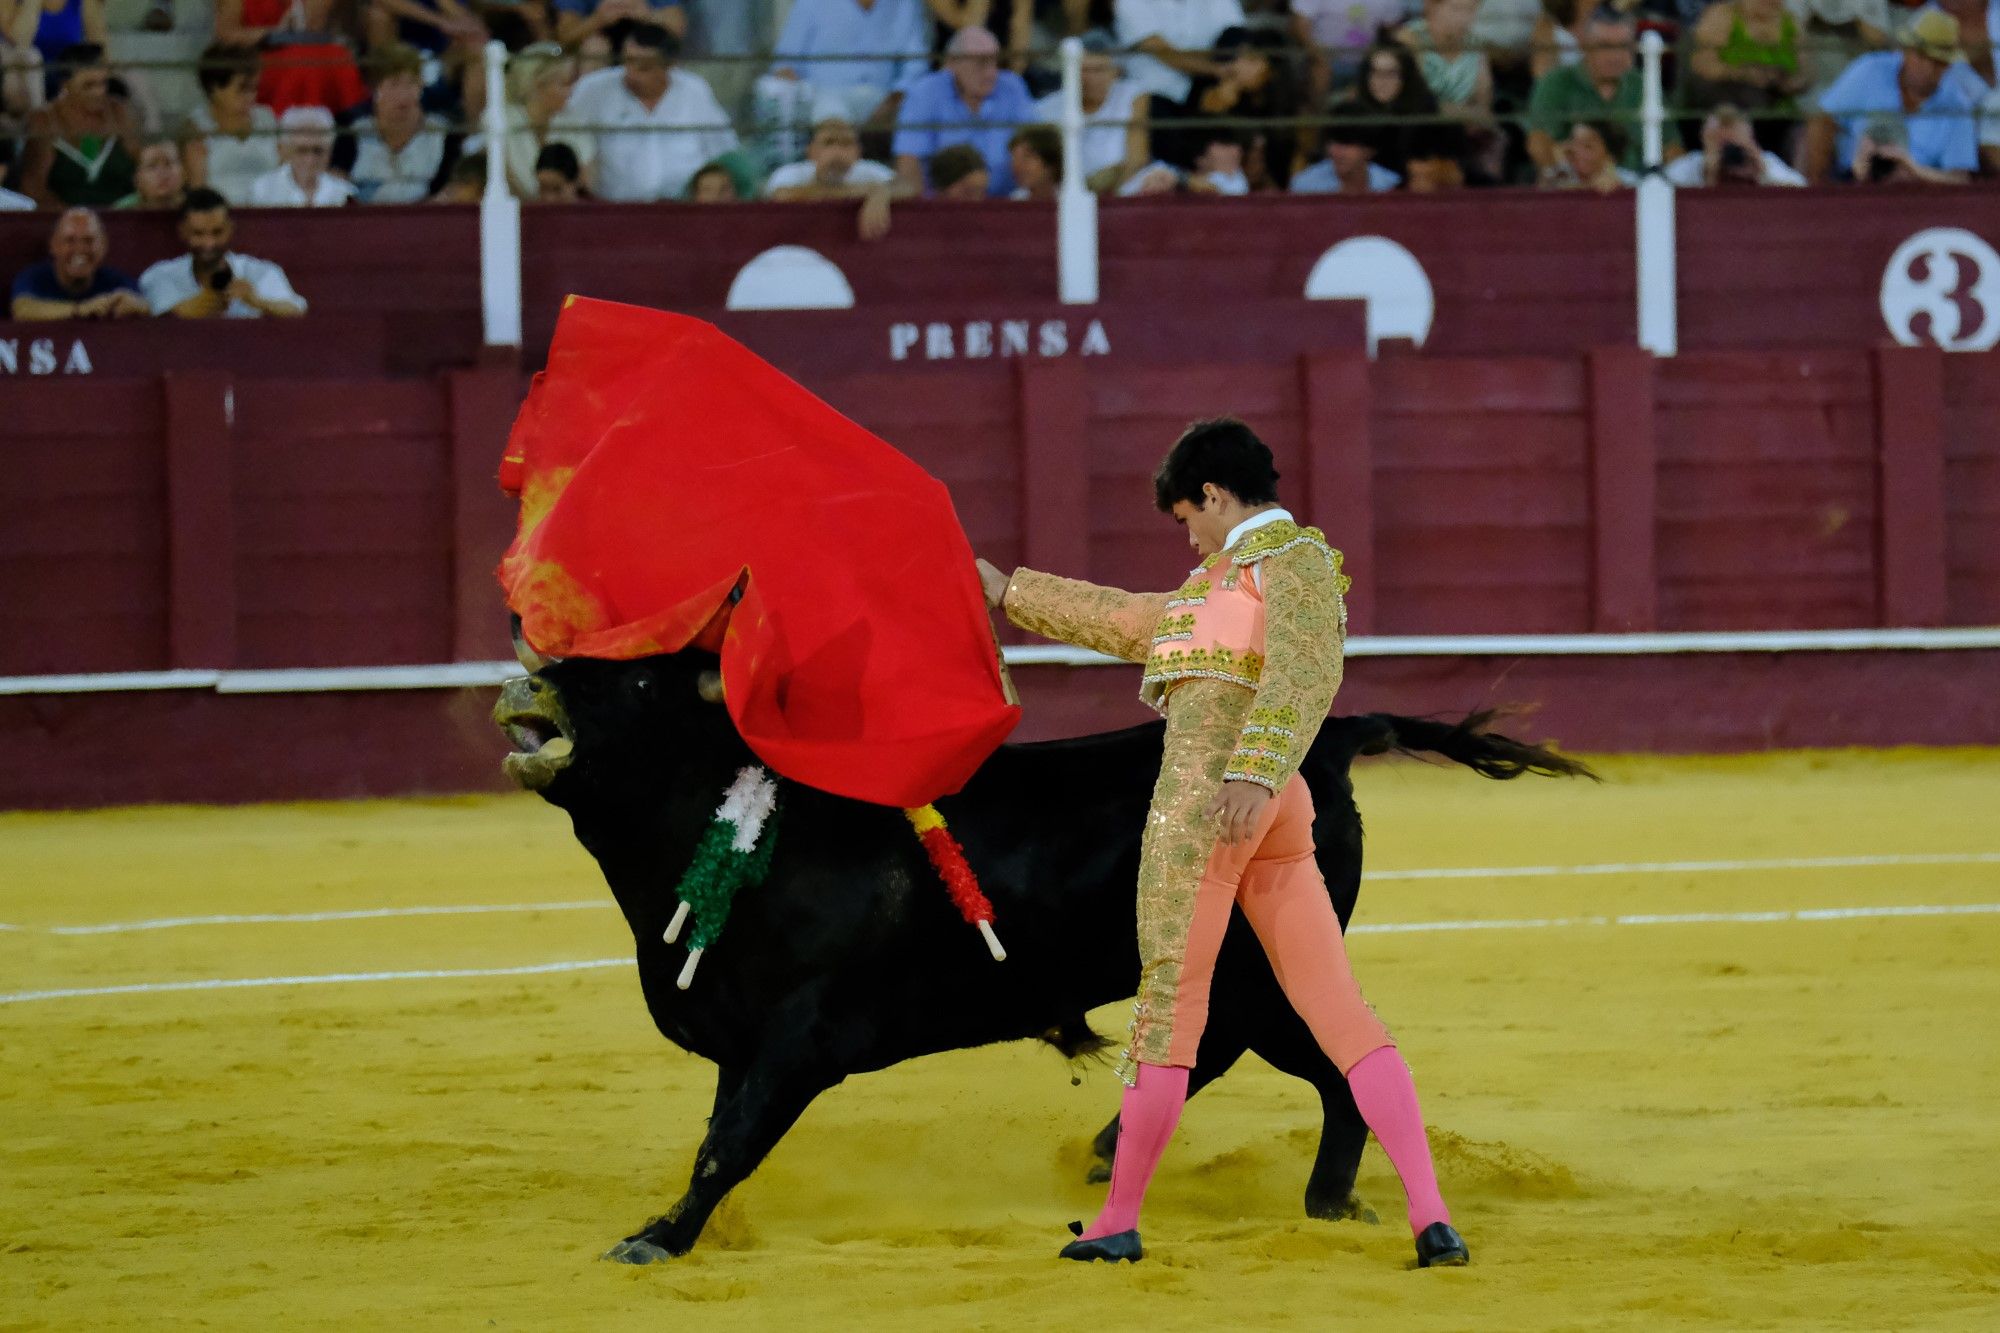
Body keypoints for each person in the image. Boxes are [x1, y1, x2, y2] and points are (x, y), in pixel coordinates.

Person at [975, 419, 1468, 1271]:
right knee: (1336, 1008)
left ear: (1212, 493)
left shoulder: (1295, 559)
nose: (1187, 535)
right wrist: (1007, 590)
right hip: (1268, 811)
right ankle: (1430, 1218)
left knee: (1171, 1006)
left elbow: (1306, 672)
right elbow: (1129, 619)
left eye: (1185, 516)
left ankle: (1118, 1220)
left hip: (1211, 810)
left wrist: (1251, 771)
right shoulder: (1218, 585)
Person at [558, 21, 737, 201]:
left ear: (670, 66)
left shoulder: (694, 91)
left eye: (644, 68)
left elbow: (726, 154)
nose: (631, 74)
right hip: (613, 212)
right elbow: (563, 142)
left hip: (682, 212)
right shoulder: (593, 90)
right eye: (627, 62)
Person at [1802, 10, 1980, 183]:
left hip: (1918, 195)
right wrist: (1819, 186)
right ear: (1906, 51)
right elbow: (1823, 118)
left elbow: (1959, 179)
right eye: (1922, 56)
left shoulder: (1957, 105)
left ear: (1948, 66)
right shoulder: (1870, 70)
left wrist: (1914, 170)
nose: (1928, 68)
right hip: (1851, 181)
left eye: (1938, 62)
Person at [758, 0, 931, 162]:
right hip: (824, 97)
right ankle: (836, 169)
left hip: (882, 98)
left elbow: (916, 64)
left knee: (913, 107)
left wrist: (895, 98)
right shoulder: (811, 3)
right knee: (832, 113)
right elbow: (785, 63)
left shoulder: (905, 4)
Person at [1527, 5, 1673, 175]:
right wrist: (1562, 176)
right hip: (1578, 188)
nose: (1614, 56)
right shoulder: (1556, 83)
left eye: (1622, 46)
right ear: (1586, 46)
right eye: (1605, 46)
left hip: (1637, 188)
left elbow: (1672, 146)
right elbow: (1538, 142)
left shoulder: (1643, 85)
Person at [893, 26, 1036, 196]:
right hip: (944, 207)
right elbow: (909, 161)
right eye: (981, 63)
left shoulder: (1013, 87)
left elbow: (1035, 149)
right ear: (952, 63)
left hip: (1006, 203)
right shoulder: (926, 91)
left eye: (994, 62)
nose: (991, 73)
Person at [139, 188, 307, 318]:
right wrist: (208, 299)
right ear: (183, 232)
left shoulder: (260, 272)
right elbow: (161, 317)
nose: (209, 243)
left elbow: (296, 311)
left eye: (217, 232)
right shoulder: (160, 275)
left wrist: (256, 301)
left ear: (230, 230)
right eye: (198, 233)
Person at [16, 42, 137, 208]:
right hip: (65, 224)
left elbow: (141, 170)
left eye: (103, 83)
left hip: (123, 218)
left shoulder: (118, 113)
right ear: (65, 86)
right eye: (89, 86)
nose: (99, 92)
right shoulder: (44, 122)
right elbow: (33, 189)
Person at [341, 42, 460, 203]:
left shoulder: (446, 134)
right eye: (394, 84)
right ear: (374, 89)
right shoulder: (351, 132)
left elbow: (449, 191)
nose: (404, 95)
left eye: (411, 83)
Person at [1031, 32, 1149, 193]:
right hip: (1065, 193)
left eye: (1099, 70)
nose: (1089, 78)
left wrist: (1108, 191)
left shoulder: (1132, 96)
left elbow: (1137, 158)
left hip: (1120, 188)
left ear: (1115, 72)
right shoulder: (1045, 109)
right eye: (1083, 70)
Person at [1685, 0, 1805, 151]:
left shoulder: (1791, 22)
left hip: (1779, 111)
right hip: (1729, 108)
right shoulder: (1722, 15)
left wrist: (1784, 81)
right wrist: (1747, 74)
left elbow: (1805, 75)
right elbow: (1701, 64)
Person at [214, 0, 368, 115]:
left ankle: (353, 129)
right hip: (258, 53)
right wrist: (272, 33)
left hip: (301, 42)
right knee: (305, 67)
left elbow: (313, 25)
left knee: (339, 56)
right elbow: (226, 35)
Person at [481, 41, 591, 198]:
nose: (571, 91)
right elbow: (501, 177)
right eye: (564, 84)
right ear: (539, 85)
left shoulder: (574, 121)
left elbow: (585, 181)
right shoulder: (500, 119)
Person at [182, 43, 280, 206]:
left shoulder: (267, 118)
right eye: (242, 89)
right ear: (215, 88)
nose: (251, 97)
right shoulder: (196, 129)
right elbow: (198, 192)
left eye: (254, 88)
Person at [9, 206, 147, 319]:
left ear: (104, 246)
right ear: (53, 246)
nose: (80, 249)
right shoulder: (34, 277)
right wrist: (80, 310)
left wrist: (133, 305)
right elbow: (22, 309)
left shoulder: (115, 280)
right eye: (70, 240)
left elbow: (145, 306)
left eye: (89, 240)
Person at [1115, 0, 1246, 105]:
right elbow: (1161, 50)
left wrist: (1229, 79)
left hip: (1212, 84)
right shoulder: (1129, 2)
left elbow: (1237, 37)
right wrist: (1217, 70)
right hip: (1155, 95)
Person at [1347, 39, 1440, 178]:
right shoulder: (1353, 110)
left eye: (1391, 73)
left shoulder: (1425, 109)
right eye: (1375, 72)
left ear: (1406, 76)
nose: (1381, 81)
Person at [1663, 102, 1806, 185]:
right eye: (1719, 142)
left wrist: (1764, 173)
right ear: (1705, 140)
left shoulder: (1765, 161)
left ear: (1750, 139)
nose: (1728, 151)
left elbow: (1802, 190)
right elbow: (1656, 188)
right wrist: (1706, 175)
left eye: (1733, 143)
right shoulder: (1692, 164)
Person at [247, 105, 356, 206]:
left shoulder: (344, 193)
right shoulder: (263, 190)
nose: (310, 160)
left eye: (317, 151)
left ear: (329, 151)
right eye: (302, 151)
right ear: (285, 151)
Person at [1290, 101, 1402, 191]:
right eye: (1332, 142)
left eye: (1346, 143)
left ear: (1369, 150)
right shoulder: (1305, 187)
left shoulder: (1389, 186)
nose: (1336, 151)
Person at [1, 0, 106, 67]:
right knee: (30, 57)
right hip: (24, 87)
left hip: (68, 84)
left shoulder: (86, 2)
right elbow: (19, 44)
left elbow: (101, 50)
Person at [1542, 116, 1633, 189]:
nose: (1575, 150)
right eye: (1573, 142)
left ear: (1610, 156)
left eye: (1587, 146)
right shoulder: (1561, 175)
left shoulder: (1629, 182)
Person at [554, 0, 684, 48]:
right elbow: (564, 39)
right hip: (598, 50)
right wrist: (598, 19)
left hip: (644, 45)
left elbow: (677, 29)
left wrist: (648, 15)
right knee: (595, 47)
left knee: (648, 51)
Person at [112, 135, 186, 209]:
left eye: (168, 163)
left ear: (184, 172)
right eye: (152, 166)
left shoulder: (194, 205)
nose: (162, 173)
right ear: (137, 178)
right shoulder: (123, 210)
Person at [1008, 121, 1061, 196]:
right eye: (1014, 158)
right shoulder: (1014, 202)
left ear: (1051, 163)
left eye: (1027, 157)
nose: (1016, 165)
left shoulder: (1074, 199)